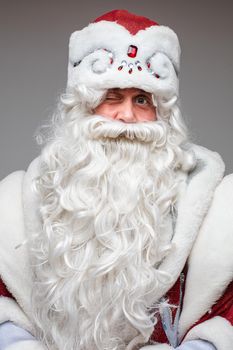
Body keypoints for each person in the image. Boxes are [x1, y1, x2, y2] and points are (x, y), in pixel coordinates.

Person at [0, 9, 232, 350]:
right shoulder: (21, 200)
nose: (126, 115)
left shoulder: (214, 202)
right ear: (84, 106)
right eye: (112, 97)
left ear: (162, 112)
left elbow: (226, 309)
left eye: (141, 100)